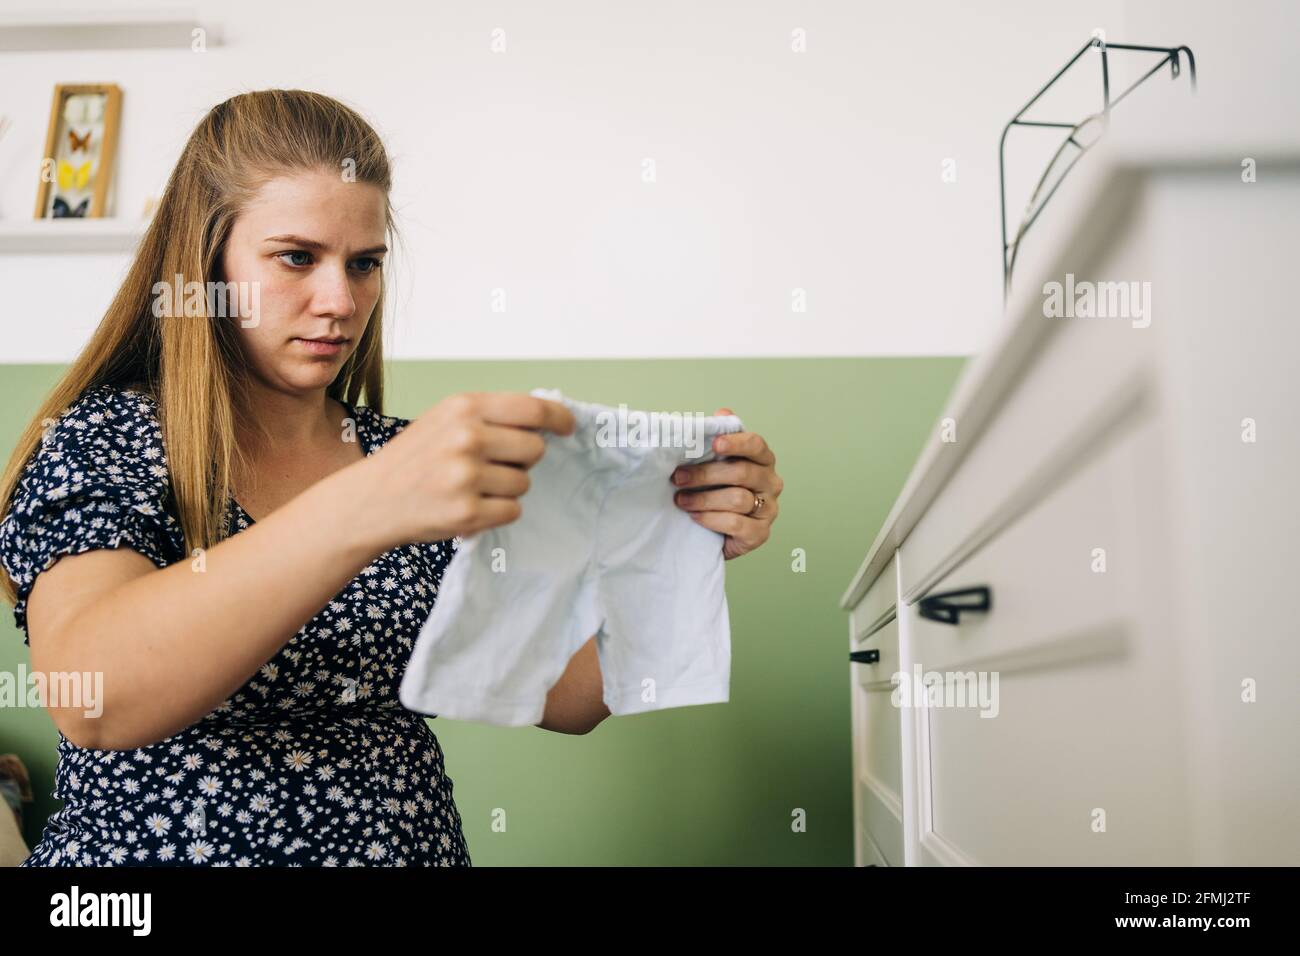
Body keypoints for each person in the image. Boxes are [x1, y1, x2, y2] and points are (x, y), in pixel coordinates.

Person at [0, 89, 784, 866]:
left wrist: (680, 534)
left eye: (364, 263)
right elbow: (92, 698)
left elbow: (566, 696)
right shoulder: (107, 437)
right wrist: (371, 502)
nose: (340, 300)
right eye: (296, 257)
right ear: (205, 261)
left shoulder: (401, 455)